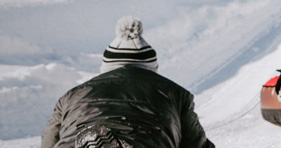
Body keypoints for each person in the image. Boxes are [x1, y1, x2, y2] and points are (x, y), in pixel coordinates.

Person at [42, 16, 213, 148]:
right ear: (152, 67)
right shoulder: (176, 94)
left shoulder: (72, 95)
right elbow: (196, 144)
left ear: (106, 66)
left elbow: (50, 140)